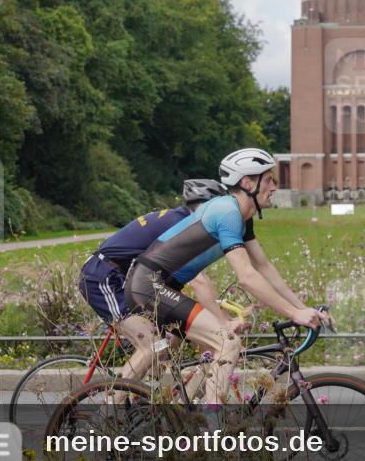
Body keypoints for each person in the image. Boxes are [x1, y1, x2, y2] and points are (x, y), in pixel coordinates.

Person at [125, 147, 329, 403]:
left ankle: (170, 412)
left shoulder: (243, 218)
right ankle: (213, 431)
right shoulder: (227, 212)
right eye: (268, 180)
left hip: (162, 288)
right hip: (148, 286)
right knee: (228, 343)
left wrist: (303, 309)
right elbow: (247, 276)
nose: (274, 187)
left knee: (208, 351)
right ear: (247, 183)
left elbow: (264, 268)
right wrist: (293, 314)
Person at [78, 180, 231, 380]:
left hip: (129, 281)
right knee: (151, 345)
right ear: (202, 207)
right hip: (104, 277)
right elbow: (199, 281)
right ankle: (111, 404)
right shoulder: (181, 225)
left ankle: (150, 396)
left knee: (171, 334)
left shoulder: (180, 219)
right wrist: (222, 320)